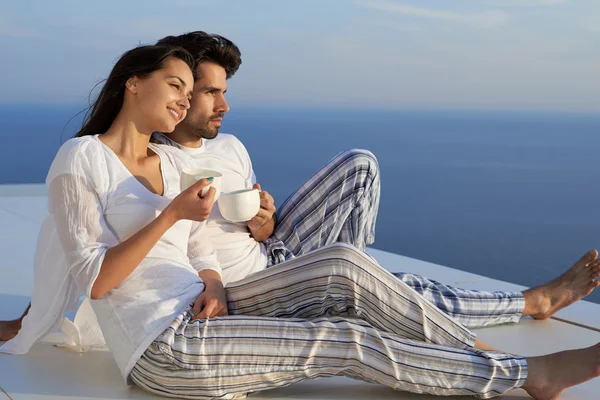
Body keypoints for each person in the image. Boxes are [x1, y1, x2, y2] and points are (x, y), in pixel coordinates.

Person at [1, 43, 600, 400]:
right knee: (346, 340)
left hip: (202, 305)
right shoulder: (81, 159)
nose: (187, 100)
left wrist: (210, 275)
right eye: (177, 85)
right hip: (163, 346)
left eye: (192, 91)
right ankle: (522, 374)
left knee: (346, 267)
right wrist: (173, 218)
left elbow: (187, 249)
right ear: (132, 82)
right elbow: (96, 279)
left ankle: (485, 356)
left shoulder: (164, 159)